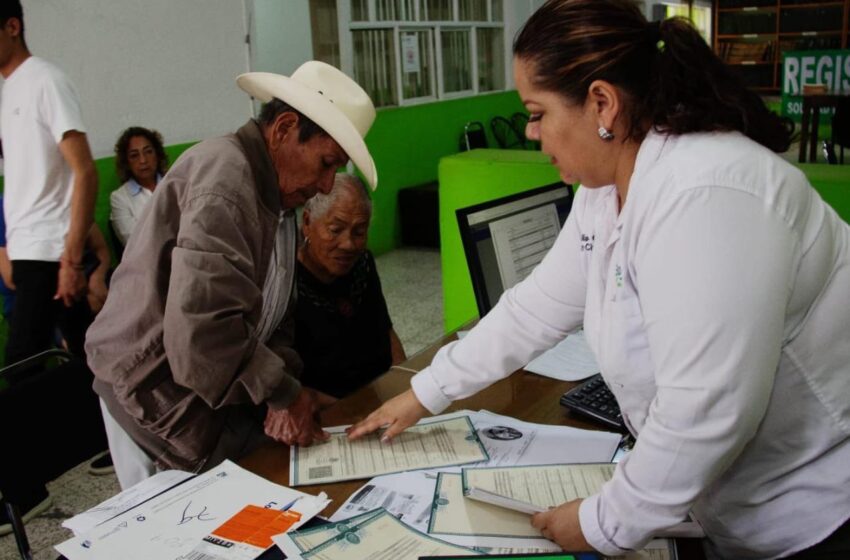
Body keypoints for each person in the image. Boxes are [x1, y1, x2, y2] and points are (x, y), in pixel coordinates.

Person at [348, 1, 850, 558]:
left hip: (818, 514)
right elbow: (534, 307)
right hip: (731, 507)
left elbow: (706, 409)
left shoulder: (708, 194)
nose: (533, 134)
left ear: (602, 103)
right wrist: (423, 393)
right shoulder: (606, 190)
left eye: (536, 113)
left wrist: (602, 523)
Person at [85, 61, 379, 488]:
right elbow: (202, 334)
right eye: (326, 163)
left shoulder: (278, 197)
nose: (326, 185)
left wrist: (287, 389)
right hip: (149, 387)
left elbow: (275, 314)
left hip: (204, 384)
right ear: (283, 129)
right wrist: (285, 394)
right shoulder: (226, 181)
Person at [0, 1, 100, 534]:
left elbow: (83, 172)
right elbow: (22, 178)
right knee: (93, 355)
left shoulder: (45, 80)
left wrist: (70, 258)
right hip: (28, 250)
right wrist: (8, 248)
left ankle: (26, 490)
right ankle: (114, 434)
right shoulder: (5, 90)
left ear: (12, 26)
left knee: (19, 369)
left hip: (51, 252)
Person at [295, 173, 405, 399]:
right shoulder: (286, 282)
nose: (348, 244)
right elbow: (292, 388)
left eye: (359, 231)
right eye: (336, 230)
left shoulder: (362, 263)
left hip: (376, 394)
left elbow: (386, 330)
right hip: (322, 407)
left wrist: (404, 385)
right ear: (307, 223)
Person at [110, 126, 168, 247]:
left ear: (157, 154)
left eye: (148, 152)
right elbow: (133, 243)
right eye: (134, 155)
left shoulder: (175, 183)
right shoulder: (119, 198)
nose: (143, 160)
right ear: (126, 162)